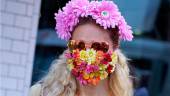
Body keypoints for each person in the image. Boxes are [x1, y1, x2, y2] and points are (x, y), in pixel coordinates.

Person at [29, 0, 134, 96]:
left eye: (97, 46)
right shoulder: (40, 93)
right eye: (79, 45)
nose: (87, 55)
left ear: (114, 49)